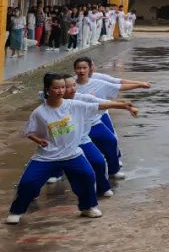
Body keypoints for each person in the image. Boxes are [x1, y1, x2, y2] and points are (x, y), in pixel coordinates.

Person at [7, 73, 137, 224]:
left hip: (72, 154)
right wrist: (39, 140)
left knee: (87, 176)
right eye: (56, 88)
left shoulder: (74, 105)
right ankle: (16, 211)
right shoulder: (39, 112)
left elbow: (100, 105)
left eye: (63, 87)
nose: (61, 91)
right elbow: (29, 131)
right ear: (48, 90)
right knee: (28, 182)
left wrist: (124, 106)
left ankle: (88, 207)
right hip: (46, 157)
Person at [74, 56, 148, 180]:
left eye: (84, 68)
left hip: (96, 117)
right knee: (64, 144)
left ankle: (114, 166)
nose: (81, 71)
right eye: (78, 68)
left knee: (111, 139)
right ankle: (57, 172)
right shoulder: (70, 84)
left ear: (90, 68)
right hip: (76, 122)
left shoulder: (99, 81)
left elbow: (118, 85)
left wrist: (139, 85)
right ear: (74, 69)